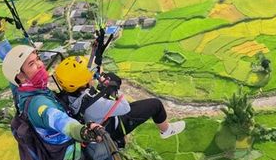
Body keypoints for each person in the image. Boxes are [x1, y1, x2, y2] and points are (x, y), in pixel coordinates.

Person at [0, 11, 110, 160]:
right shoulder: (39, 105)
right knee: (112, 149)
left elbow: (7, 57)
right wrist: (82, 131)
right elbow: (57, 119)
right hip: (69, 157)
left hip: (56, 145)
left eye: (38, 60)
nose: (41, 65)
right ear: (20, 76)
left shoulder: (19, 87)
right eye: (32, 64)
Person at [53, 55, 185, 148]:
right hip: (113, 126)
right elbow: (125, 107)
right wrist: (114, 88)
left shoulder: (67, 94)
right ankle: (166, 130)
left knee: (113, 83)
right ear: (82, 82)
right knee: (155, 104)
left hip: (95, 120)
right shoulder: (95, 104)